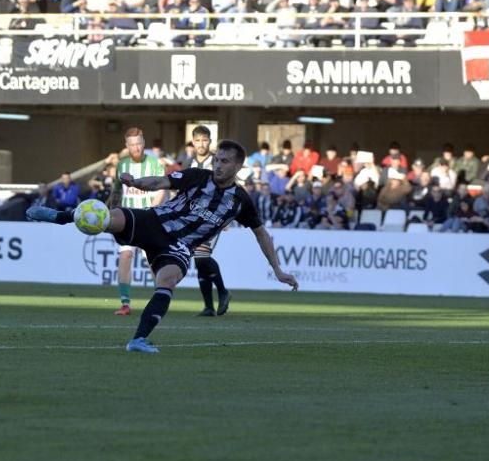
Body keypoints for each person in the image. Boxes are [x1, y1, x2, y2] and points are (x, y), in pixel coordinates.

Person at [26, 139, 299, 353]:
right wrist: (135, 183)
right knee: (111, 218)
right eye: (216, 159)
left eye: (225, 162)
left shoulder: (241, 201)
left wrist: (277, 269)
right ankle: (61, 217)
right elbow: (160, 181)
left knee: (167, 281)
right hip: (155, 221)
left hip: (179, 245)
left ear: (238, 167)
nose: (217, 165)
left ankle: (139, 340)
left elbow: (261, 234)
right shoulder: (197, 176)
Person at [107, 127, 165, 316]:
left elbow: (161, 190)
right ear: (127, 146)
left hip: (148, 219)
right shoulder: (122, 165)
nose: (136, 148)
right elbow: (116, 191)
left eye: (139, 143)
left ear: (144, 143)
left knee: (152, 260)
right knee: (125, 256)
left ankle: (161, 298)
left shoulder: (155, 163)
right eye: (132, 145)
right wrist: (109, 212)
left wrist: (151, 211)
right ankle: (125, 304)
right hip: (126, 219)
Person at [187, 125, 234, 317]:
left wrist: (227, 214)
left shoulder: (217, 162)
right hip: (193, 217)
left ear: (210, 141)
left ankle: (222, 291)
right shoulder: (189, 162)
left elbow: (229, 186)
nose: (201, 144)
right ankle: (208, 306)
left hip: (213, 216)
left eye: (204, 140)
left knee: (202, 257)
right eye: (197, 140)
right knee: (200, 262)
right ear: (193, 141)